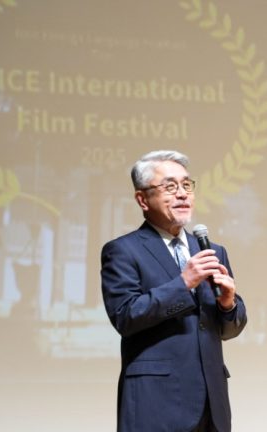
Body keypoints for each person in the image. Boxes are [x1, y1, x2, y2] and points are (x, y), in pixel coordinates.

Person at [101, 150, 248, 432]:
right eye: (170, 186)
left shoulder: (212, 251)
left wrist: (228, 305)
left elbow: (229, 330)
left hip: (211, 403)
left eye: (186, 185)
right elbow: (126, 316)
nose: (182, 194)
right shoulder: (123, 251)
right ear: (142, 199)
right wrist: (184, 283)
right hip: (155, 402)